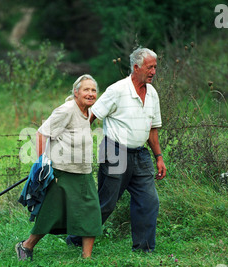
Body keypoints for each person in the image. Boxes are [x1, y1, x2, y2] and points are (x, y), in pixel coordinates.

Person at [67, 47, 166, 253]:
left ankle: (144, 248)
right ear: (137, 67)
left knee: (149, 201)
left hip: (140, 155)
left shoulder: (153, 94)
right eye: (150, 67)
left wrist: (159, 156)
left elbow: (152, 129)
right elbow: (92, 116)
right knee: (106, 203)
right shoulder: (117, 90)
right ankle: (76, 237)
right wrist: (76, 141)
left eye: (155, 67)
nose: (153, 71)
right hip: (114, 151)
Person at [15, 74, 102, 260]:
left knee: (91, 210)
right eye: (86, 89)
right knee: (51, 214)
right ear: (76, 92)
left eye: (93, 90)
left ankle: (87, 258)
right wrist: (42, 163)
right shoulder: (67, 109)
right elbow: (41, 133)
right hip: (61, 172)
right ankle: (26, 246)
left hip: (83, 172)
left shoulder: (87, 112)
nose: (91, 93)